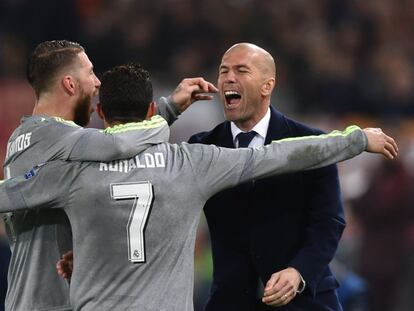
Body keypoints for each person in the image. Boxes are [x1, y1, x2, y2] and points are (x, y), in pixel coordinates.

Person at [0, 63, 397, 311]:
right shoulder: (191, 163)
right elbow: (279, 155)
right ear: (154, 112)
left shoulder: (76, 172)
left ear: (101, 113)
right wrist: (355, 140)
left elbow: (12, 192)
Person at [1, 40, 216, 311]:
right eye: (90, 72)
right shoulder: (60, 138)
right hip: (51, 301)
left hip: (26, 295)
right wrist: (166, 110)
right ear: (69, 83)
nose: (98, 83)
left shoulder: (23, 137)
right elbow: (119, 143)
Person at [188, 42, 365, 310]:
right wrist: (172, 110)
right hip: (232, 302)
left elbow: (329, 222)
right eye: (223, 71)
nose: (228, 78)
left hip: (304, 301)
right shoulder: (201, 147)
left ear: (267, 85)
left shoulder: (313, 142)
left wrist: (298, 272)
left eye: (241, 70)